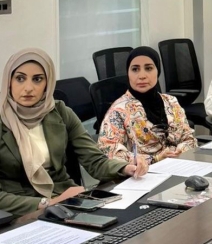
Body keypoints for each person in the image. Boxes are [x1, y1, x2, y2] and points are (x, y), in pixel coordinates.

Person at [0, 49, 148, 217]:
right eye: (20, 78)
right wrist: (47, 203)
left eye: (37, 79)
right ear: (9, 81)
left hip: (66, 200)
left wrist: (125, 167)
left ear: (47, 83)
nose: (28, 88)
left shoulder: (60, 112)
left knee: (130, 221)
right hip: (19, 212)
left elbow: (94, 160)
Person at [98, 47, 197, 164]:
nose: (142, 76)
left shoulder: (171, 102)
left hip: (179, 166)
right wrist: (155, 159)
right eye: (135, 69)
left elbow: (189, 139)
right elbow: (108, 152)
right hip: (142, 173)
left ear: (158, 71)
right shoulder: (118, 110)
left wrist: (180, 151)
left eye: (148, 68)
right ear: (128, 73)